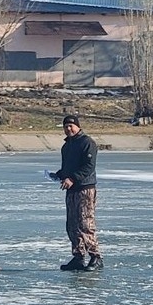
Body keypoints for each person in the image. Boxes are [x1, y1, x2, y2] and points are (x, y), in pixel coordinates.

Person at [50, 115, 103, 271]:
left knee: (85, 223)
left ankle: (96, 256)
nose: (68, 129)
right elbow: (68, 167)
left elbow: (88, 167)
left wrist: (72, 178)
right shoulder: (66, 147)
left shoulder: (87, 143)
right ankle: (78, 257)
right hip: (71, 190)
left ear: (78, 127)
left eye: (71, 126)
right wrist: (60, 175)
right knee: (72, 224)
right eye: (65, 126)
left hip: (85, 188)